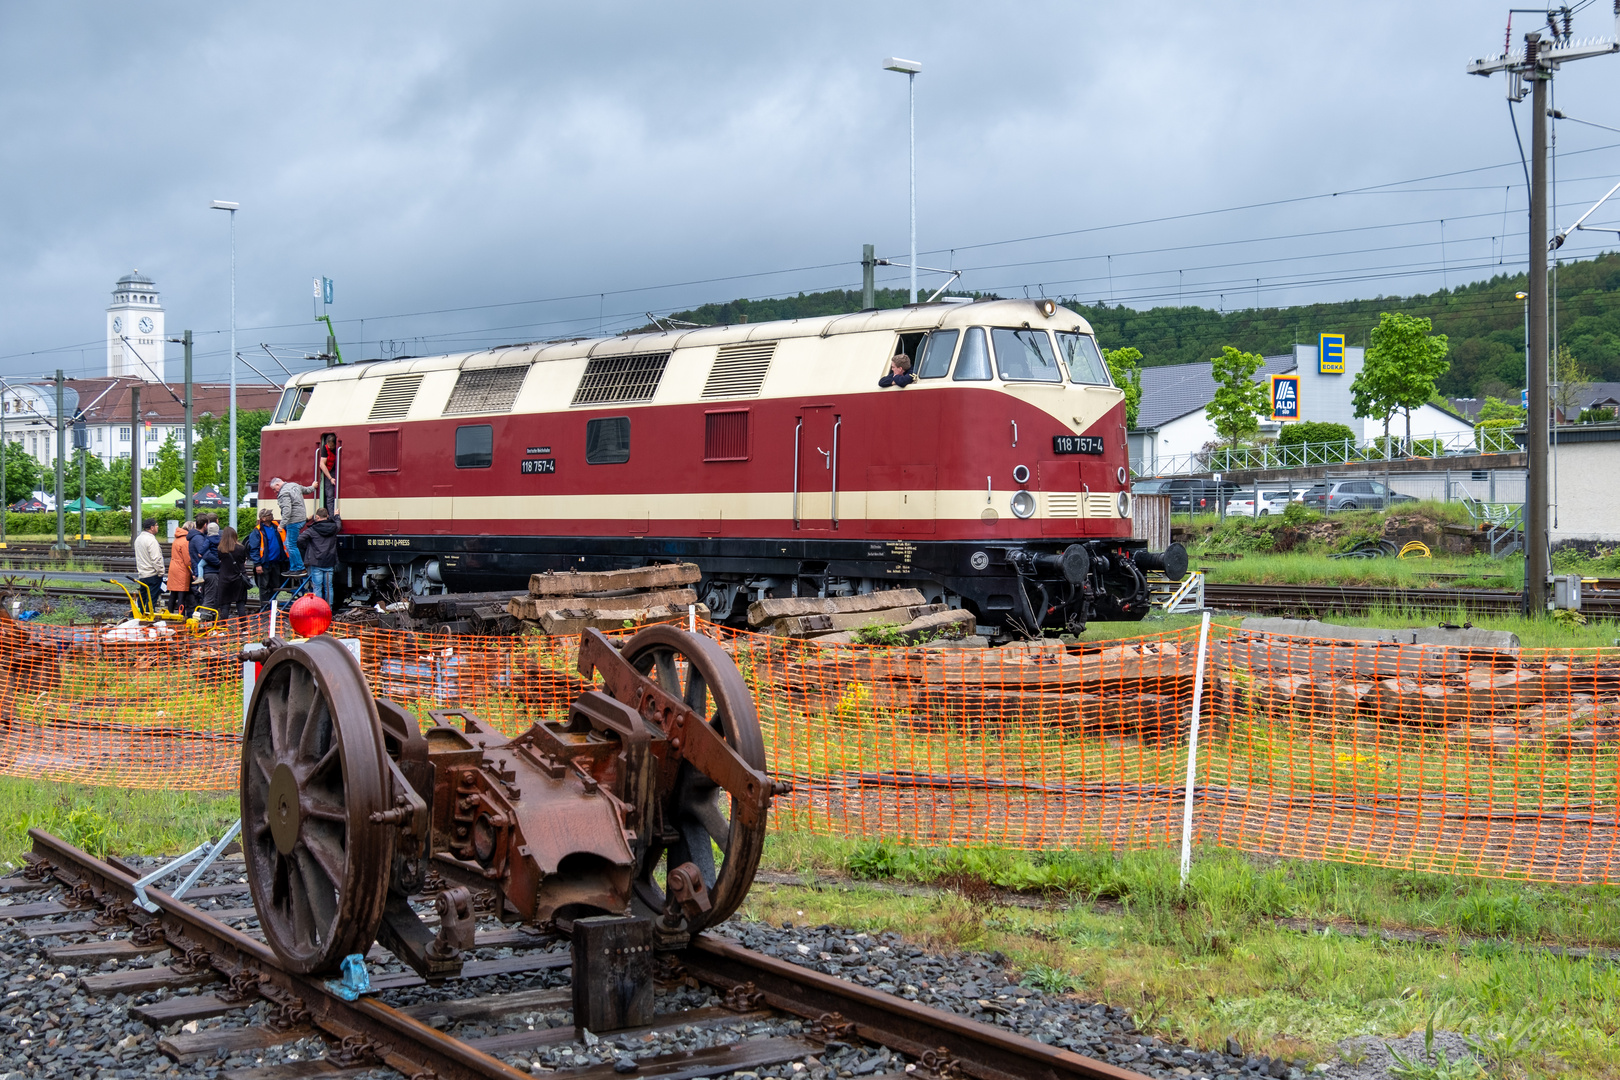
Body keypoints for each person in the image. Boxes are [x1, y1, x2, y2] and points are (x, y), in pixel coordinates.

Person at [298, 506, 341, 606]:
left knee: (317, 587)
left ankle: (319, 609)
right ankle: (328, 609)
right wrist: (337, 516)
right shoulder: (334, 527)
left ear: (317, 517)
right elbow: (339, 525)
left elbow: (300, 539)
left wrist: (307, 547)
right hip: (329, 561)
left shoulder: (312, 530)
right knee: (329, 587)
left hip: (316, 561)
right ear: (327, 516)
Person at [247, 508, 289, 610]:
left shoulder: (276, 527)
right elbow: (254, 549)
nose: (271, 515)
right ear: (263, 518)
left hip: (277, 562)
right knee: (264, 587)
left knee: (275, 585)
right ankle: (265, 608)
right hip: (264, 564)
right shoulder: (257, 531)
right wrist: (257, 564)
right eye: (269, 514)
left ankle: (272, 608)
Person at [272, 477, 313, 575]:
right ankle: (294, 567)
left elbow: (287, 510)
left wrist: (281, 525)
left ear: (278, 484)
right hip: (301, 518)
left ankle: (299, 568)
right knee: (288, 544)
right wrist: (313, 486)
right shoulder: (294, 485)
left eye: (274, 489)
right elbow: (306, 490)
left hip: (293, 521)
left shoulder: (283, 493)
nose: (275, 491)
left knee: (291, 545)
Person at [216, 527, 250, 620]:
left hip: (225, 579)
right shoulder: (241, 548)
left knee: (225, 606)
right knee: (240, 605)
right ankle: (243, 628)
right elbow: (243, 562)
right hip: (239, 579)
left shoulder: (220, 549)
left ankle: (223, 627)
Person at [133, 518, 164, 615]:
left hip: (142, 574)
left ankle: (141, 617)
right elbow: (156, 559)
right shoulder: (151, 540)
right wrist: (161, 572)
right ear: (152, 527)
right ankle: (148, 618)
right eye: (156, 525)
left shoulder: (138, 539)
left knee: (142, 598)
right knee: (151, 600)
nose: (157, 527)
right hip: (152, 575)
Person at [168, 521, 195, 616]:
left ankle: (170, 614)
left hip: (173, 568)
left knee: (173, 594)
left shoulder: (177, 539)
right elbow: (187, 560)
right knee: (181, 595)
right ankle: (181, 616)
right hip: (182, 570)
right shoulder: (185, 541)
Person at [200, 517, 224, 614]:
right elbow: (206, 555)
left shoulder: (207, 539)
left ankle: (207, 619)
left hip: (209, 571)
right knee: (209, 599)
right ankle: (201, 620)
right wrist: (219, 563)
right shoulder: (215, 541)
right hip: (211, 572)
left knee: (211, 597)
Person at [190, 513, 212, 613]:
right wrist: (217, 561)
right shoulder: (199, 538)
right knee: (206, 598)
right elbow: (205, 554)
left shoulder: (197, 537)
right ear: (205, 525)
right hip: (202, 571)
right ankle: (203, 619)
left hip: (200, 571)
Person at [314, 433, 339, 515]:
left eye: (331, 446)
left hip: (335, 469)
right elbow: (321, 464)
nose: (329, 447)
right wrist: (330, 478)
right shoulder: (325, 448)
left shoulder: (337, 448)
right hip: (329, 472)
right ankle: (332, 517)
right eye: (328, 444)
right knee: (330, 495)